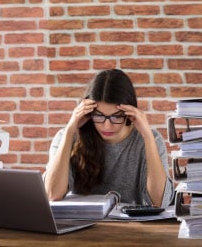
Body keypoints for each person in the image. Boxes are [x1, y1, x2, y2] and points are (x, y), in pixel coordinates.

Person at [44, 69, 173, 207]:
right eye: (99, 116)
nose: (107, 126)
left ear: (129, 113)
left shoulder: (150, 139)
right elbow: (52, 194)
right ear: (87, 113)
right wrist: (70, 131)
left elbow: (160, 201)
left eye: (116, 116)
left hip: (132, 227)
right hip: (80, 224)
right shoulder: (67, 137)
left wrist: (147, 136)